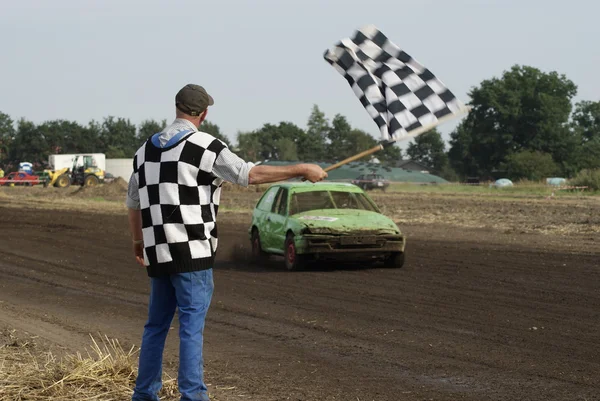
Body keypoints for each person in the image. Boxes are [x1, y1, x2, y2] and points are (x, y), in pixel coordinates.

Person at [126, 83, 327, 401]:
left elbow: (134, 203)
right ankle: (193, 395)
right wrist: (301, 169)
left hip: (157, 252)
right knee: (191, 326)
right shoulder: (206, 146)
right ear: (203, 113)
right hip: (192, 252)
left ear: (177, 108)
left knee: (156, 326)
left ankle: (144, 394)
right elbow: (250, 175)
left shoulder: (144, 151)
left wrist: (138, 241)